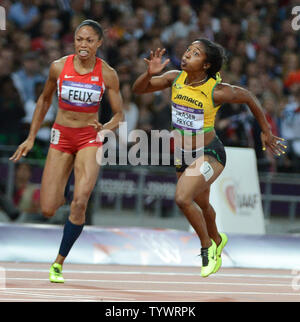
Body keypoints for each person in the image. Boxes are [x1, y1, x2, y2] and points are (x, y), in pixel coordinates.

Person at [132, 39, 286, 277]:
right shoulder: (175, 78)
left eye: (195, 54)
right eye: (187, 51)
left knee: (183, 198)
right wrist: (149, 74)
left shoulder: (216, 90)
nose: (186, 55)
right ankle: (217, 237)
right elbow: (138, 90)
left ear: (205, 65)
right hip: (183, 155)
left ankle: (207, 246)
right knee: (202, 204)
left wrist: (266, 130)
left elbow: (247, 96)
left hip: (210, 154)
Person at [10, 19, 124, 283]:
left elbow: (119, 114)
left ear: (99, 43)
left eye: (89, 40)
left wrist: (106, 128)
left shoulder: (107, 73)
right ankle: (67, 190)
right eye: (79, 39)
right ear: (74, 41)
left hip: (89, 138)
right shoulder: (58, 67)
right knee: (48, 208)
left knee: (81, 200)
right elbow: (44, 100)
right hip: (61, 137)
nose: (83, 45)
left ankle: (58, 263)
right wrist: (30, 138)